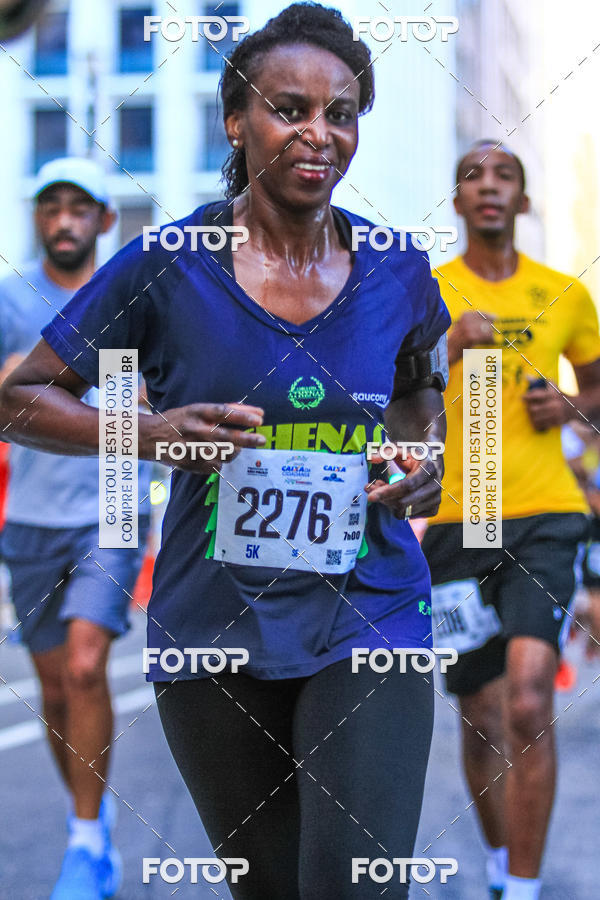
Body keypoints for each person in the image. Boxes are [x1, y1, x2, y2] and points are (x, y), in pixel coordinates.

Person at [0, 6, 451, 898]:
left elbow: (416, 390)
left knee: (357, 885)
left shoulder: (398, 268)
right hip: (214, 625)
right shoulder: (165, 264)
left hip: (371, 609)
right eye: (290, 108)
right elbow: (20, 395)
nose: (319, 134)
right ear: (236, 122)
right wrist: (150, 433)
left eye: (342, 113)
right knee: (271, 888)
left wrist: (419, 459)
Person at [422, 140, 600, 900]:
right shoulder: (426, 293)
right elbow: (389, 393)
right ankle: (501, 866)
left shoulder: (565, 293)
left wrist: (568, 406)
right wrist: (443, 347)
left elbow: (595, 393)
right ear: (458, 202)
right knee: (480, 714)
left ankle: (523, 890)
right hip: (460, 522)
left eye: (505, 178)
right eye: (473, 177)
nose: (489, 188)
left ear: (522, 203)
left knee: (529, 698)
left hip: (543, 514)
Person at [0, 157, 150, 899]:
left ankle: (88, 844)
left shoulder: (127, 294)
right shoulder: (8, 296)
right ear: (38, 218)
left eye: (79, 208)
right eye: (50, 207)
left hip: (115, 500)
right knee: (56, 689)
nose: (64, 221)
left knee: (89, 667)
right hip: (29, 515)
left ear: (101, 220)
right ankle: (84, 822)